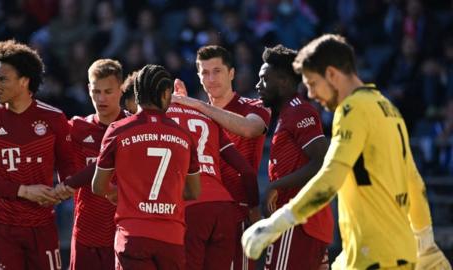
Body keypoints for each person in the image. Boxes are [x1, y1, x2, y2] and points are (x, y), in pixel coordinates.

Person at [242, 34, 452, 270]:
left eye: (312, 83)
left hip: (371, 253)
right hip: (388, 250)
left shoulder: (351, 110)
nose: (311, 94)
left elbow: (331, 174)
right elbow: (413, 180)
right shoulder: (387, 108)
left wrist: (279, 222)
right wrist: (425, 241)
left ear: (331, 75)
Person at [0, 40, 75, 269]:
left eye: (2, 79)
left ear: (24, 81)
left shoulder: (55, 119)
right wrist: (24, 191)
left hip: (42, 226)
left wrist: (63, 189)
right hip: (0, 228)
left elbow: (68, 167)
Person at [92, 64, 201, 270]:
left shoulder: (118, 130)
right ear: (166, 93)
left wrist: (122, 194)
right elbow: (194, 191)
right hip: (172, 237)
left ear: (136, 93)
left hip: (133, 235)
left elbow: (99, 186)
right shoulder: (184, 136)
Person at [173, 45, 271, 270]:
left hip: (242, 213)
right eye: (205, 73)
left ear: (232, 73)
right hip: (199, 212)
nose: (211, 78)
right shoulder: (193, 113)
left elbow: (250, 129)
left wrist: (195, 106)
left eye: (217, 71)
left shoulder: (254, 106)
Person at [256, 44, 333, 269]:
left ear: (284, 81)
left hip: (298, 221)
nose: (258, 85)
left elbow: (321, 162)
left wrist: (275, 186)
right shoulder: (288, 113)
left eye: (264, 79)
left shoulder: (300, 111)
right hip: (306, 221)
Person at [166, 87, 257, 269]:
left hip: (188, 207)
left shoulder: (158, 118)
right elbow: (246, 171)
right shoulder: (207, 117)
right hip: (224, 208)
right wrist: (254, 209)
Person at [62, 59, 128, 270]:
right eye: (96, 91)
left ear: (121, 89)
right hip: (85, 234)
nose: (101, 98)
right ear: (88, 89)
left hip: (124, 234)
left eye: (108, 91)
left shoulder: (134, 129)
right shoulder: (77, 128)